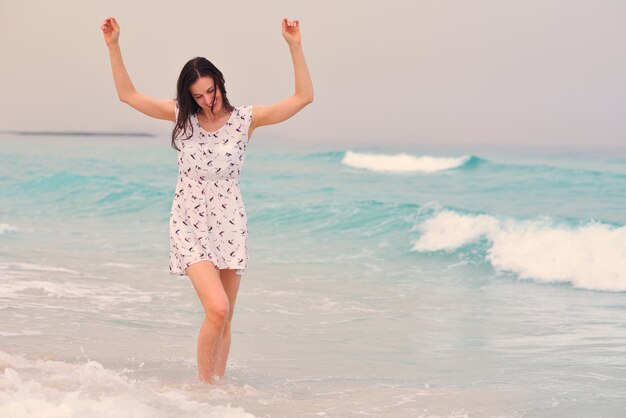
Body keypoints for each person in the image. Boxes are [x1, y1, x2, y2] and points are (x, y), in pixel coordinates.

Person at [100, 16, 313, 384]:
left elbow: (303, 98)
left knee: (227, 316)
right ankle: (202, 389)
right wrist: (114, 46)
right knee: (216, 308)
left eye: (210, 91)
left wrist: (294, 45)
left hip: (230, 222)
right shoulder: (183, 118)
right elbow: (128, 95)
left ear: (220, 84)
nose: (207, 101)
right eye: (197, 95)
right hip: (188, 223)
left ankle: (216, 390)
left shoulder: (246, 119)